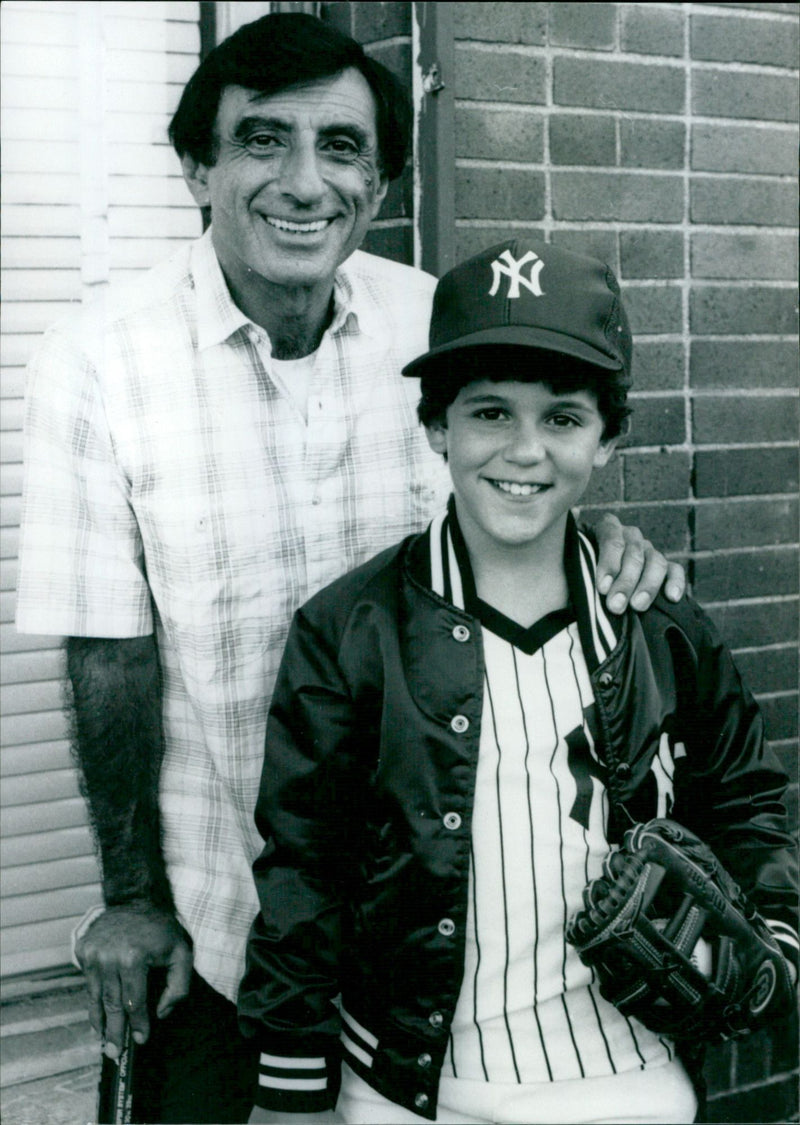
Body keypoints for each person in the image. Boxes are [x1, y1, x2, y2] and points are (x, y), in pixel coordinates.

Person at [16, 14, 684, 1125]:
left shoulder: (430, 323)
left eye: (340, 148)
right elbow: (107, 655)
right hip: (229, 927)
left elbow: (519, 492)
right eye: (260, 141)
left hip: (451, 935)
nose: (302, 181)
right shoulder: (97, 361)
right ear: (198, 169)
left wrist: (603, 546)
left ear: (375, 182)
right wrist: (131, 901)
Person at [238, 239, 798, 1125]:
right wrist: (291, 1087)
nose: (525, 450)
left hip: (629, 1076)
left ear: (609, 437)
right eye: (491, 413)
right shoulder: (350, 628)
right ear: (436, 427)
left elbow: (744, 797)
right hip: (405, 1085)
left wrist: (777, 930)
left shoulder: (658, 621)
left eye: (564, 418)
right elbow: (304, 872)